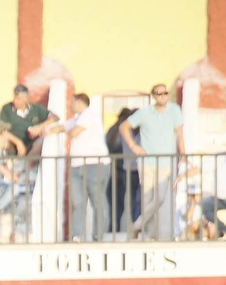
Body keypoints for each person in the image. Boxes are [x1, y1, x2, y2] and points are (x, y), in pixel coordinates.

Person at [122, 83, 186, 240]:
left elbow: (179, 134)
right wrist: (133, 146)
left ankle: (136, 226)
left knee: (160, 198)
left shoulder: (174, 110)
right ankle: (151, 234)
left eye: (165, 93)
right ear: (153, 96)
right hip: (147, 163)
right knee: (147, 200)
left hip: (166, 163)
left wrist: (183, 154)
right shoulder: (145, 113)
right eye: (159, 93)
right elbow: (124, 126)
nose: (162, 96)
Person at [63, 92, 108, 241]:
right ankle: (77, 235)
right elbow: (62, 127)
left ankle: (99, 235)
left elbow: (74, 132)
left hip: (94, 164)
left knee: (97, 201)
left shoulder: (89, 115)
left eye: (71, 102)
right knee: (78, 203)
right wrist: (45, 130)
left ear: (78, 102)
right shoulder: (77, 119)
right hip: (77, 165)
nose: (70, 105)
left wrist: (67, 131)